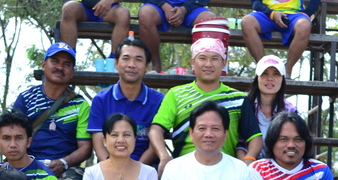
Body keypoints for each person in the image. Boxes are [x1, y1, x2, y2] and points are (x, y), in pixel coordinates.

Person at [12, 43, 92, 180]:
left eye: (66, 64)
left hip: (66, 165)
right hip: (28, 162)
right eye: (55, 61)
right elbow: (15, 136)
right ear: (43, 65)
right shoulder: (26, 99)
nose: (60, 67)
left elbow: (85, 148)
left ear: (72, 72)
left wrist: (63, 163)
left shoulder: (80, 104)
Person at [149, 38, 262, 170]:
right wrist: (164, 156)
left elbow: (255, 137)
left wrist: (248, 160)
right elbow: (156, 130)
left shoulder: (238, 99)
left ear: (223, 63)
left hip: (226, 171)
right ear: (193, 62)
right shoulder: (176, 94)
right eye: (202, 58)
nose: (208, 64)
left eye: (215, 58)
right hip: (184, 170)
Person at [88, 38, 165, 165]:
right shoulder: (101, 100)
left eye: (138, 60)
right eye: (126, 58)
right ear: (116, 63)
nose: (131, 65)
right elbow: (98, 141)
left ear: (146, 66)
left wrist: (136, 172)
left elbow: (154, 144)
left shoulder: (158, 101)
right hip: (109, 167)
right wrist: (112, 169)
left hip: (147, 168)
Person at [241, 0, 323, 77]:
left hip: (294, 14)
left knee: (304, 25)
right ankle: (263, 68)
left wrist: (307, 13)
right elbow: (255, 2)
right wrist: (272, 13)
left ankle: (286, 71)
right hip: (268, 14)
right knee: (246, 22)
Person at [135, 0, 215, 72]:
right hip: (159, 7)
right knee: (145, 13)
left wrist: (184, 9)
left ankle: (200, 67)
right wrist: (164, 5)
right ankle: (154, 65)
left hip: (189, 9)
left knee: (210, 20)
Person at [59, 0, 134, 55]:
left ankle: (114, 60)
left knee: (123, 15)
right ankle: (68, 56)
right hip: (84, 6)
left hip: (108, 9)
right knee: (69, 8)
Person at [239, 56, 297, 160]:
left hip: (280, 166)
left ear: (282, 79)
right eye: (264, 73)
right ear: (257, 78)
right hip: (247, 165)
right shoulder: (244, 105)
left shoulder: (291, 110)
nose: (270, 78)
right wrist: (245, 167)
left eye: (276, 74)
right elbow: (238, 142)